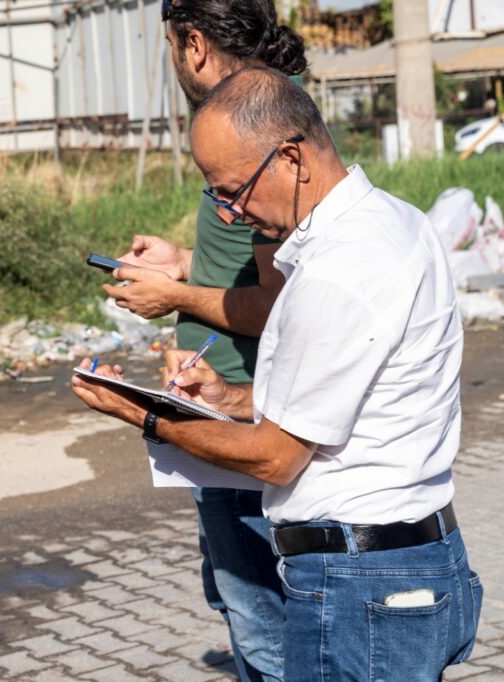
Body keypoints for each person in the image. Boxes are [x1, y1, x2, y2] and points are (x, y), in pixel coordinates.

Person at [74, 66, 482, 681]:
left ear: (292, 157)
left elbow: (275, 459)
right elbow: (339, 401)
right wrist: (228, 397)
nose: (231, 215)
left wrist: (148, 416)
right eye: (217, 195)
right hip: (410, 565)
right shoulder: (396, 221)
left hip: (361, 587)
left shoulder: (336, 271)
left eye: (235, 189)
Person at [106, 2, 307, 679]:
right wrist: (184, 262)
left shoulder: (253, 131)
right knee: (240, 601)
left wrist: (174, 298)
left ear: (193, 42)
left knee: (262, 620)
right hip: (220, 406)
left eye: (169, 44)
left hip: (243, 414)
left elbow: (278, 303)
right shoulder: (258, 119)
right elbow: (255, 264)